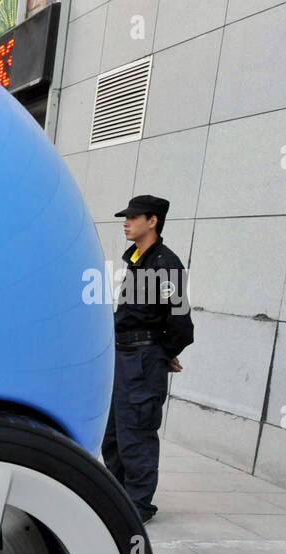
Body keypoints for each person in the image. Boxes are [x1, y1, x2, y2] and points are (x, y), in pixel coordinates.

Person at [101, 194, 193, 524]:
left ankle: (138, 506)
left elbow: (181, 324)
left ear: (152, 221)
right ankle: (119, 497)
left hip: (142, 359)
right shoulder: (137, 260)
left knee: (136, 434)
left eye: (133, 217)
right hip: (122, 356)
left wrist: (161, 354)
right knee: (113, 434)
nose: (126, 222)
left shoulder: (165, 265)